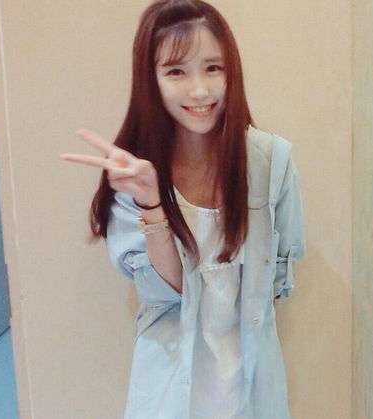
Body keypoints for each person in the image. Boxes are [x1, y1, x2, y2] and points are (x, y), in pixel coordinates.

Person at [60, 0, 306, 417]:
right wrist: (152, 203)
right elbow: (167, 293)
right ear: (151, 79)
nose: (199, 90)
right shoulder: (133, 172)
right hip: (169, 385)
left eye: (213, 68)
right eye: (176, 71)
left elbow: (276, 283)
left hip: (252, 385)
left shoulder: (272, 161)